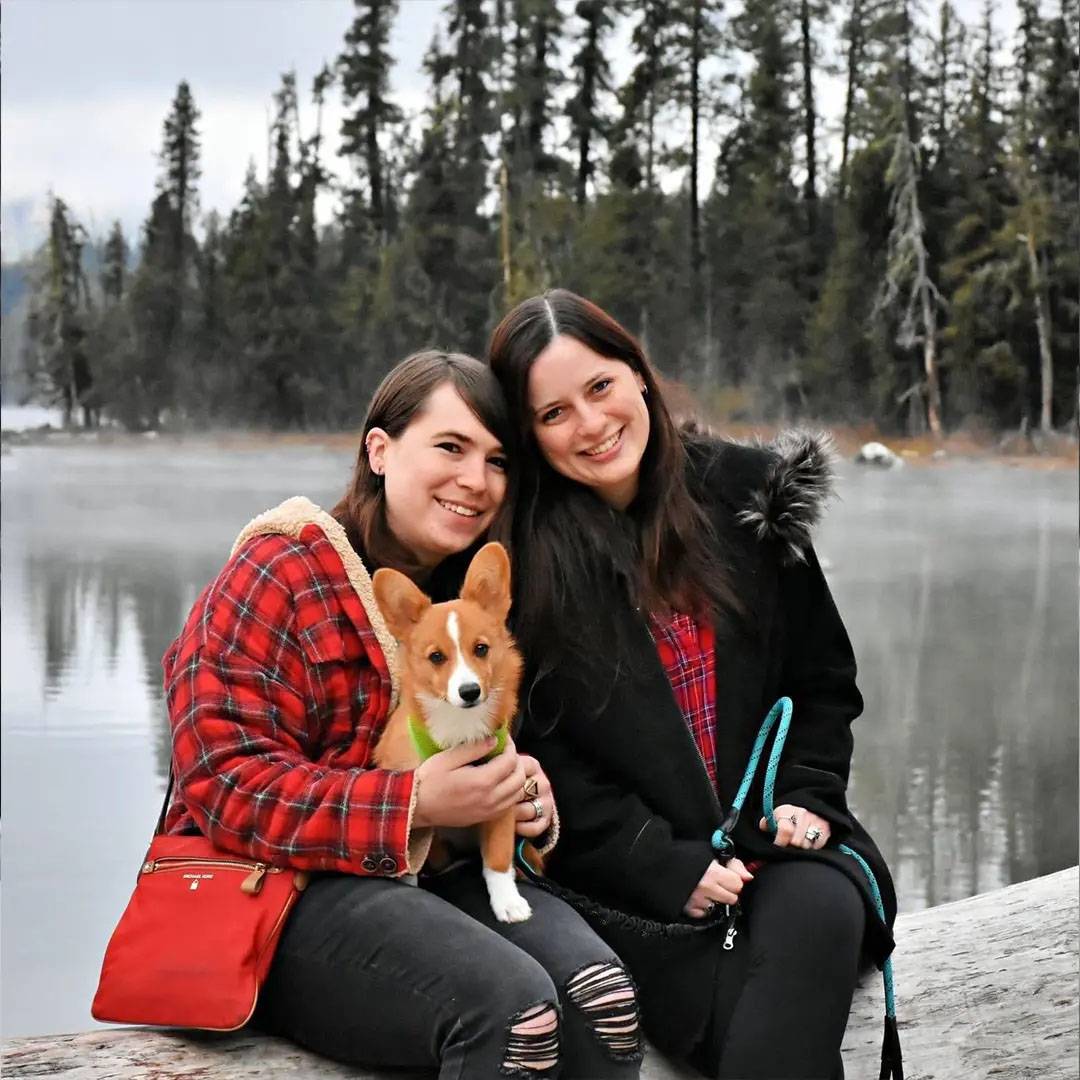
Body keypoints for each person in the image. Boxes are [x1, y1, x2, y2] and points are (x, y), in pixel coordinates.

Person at [161, 349, 643, 1079]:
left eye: (497, 460)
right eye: (450, 448)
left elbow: (489, 750)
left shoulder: (469, 596)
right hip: (283, 895)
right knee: (514, 1014)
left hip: (429, 877)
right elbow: (224, 783)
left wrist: (519, 797)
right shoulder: (278, 572)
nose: (476, 482)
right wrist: (412, 801)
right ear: (379, 450)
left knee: (602, 1001)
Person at [486, 292, 899, 1079]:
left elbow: (823, 683)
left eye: (601, 387)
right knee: (753, 1008)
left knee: (817, 910)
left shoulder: (748, 497)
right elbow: (544, 758)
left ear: (638, 375)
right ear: (530, 436)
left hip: (781, 851)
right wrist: (664, 865)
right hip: (633, 897)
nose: (592, 424)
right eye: (554, 413)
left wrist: (807, 797)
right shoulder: (527, 568)